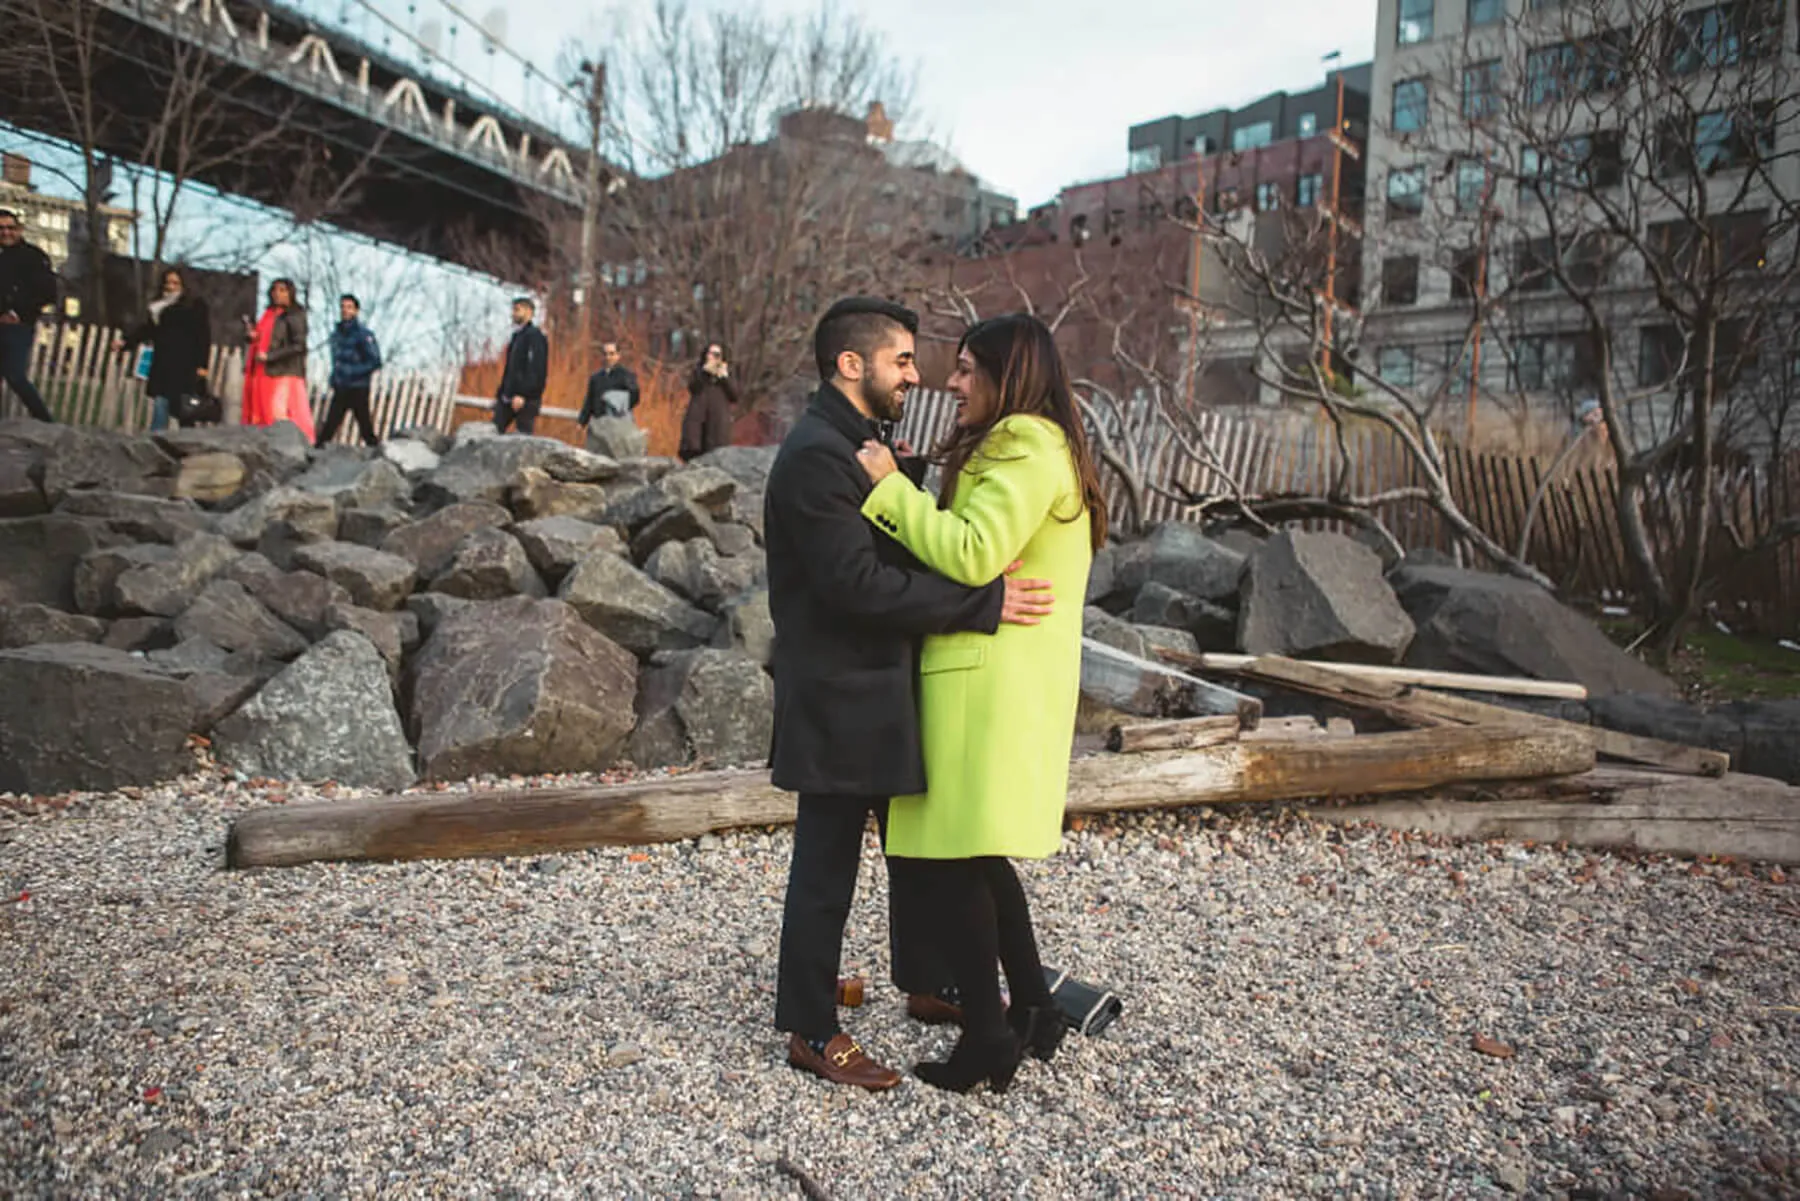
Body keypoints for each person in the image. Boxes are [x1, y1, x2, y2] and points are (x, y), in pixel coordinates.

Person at [765, 296, 1056, 1091]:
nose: (916, 373)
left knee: (923, 852)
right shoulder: (813, 456)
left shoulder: (865, 443)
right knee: (825, 868)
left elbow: (904, 533)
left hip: (887, 685)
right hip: (836, 694)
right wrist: (984, 602)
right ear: (850, 365)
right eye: (901, 359)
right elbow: (856, 583)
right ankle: (812, 1028)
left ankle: (930, 982)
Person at [853, 312, 1108, 1093]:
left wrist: (889, 490)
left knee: (956, 858)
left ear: (1009, 374)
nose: (951, 382)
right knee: (979, 853)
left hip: (985, 680)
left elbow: (973, 551)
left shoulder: (1025, 443)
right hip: (997, 677)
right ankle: (1033, 1006)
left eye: (966, 369)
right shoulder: (1037, 442)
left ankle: (989, 1040)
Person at [114, 267, 211, 432]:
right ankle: (157, 442)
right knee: (160, 406)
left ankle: (188, 444)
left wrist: (202, 366)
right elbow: (148, 330)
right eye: (168, 283)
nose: (170, 287)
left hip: (185, 365)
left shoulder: (194, 305)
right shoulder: (157, 308)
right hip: (163, 364)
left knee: (185, 410)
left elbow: (203, 336)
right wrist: (126, 343)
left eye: (175, 283)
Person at [0, 209, 59, 422]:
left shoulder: (33, 256)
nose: (6, 233)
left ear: (20, 230)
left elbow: (47, 292)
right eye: (1, 229)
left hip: (18, 324)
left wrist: (17, 312)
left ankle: (45, 421)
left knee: (14, 374)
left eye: (10, 228)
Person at [242, 278, 315, 442]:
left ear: (291, 293)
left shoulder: (294, 315)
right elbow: (265, 338)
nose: (277, 294)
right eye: (274, 290)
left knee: (278, 412)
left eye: (283, 290)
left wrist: (271, 356)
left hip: (284, 371)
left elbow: (299, 345)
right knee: (261, 410)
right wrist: (253, 337)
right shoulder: (269, 315)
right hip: (263, 371)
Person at [317, 294, 383, 447]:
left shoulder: (364, 334)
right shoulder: (337, 335)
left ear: (356, 311)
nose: (345, 310)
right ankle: (317, 451)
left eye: (349, 307)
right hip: (341, 386)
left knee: (364, 425)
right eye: (342, 307)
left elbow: (375, 361)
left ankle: (375, 451)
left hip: (358, 387)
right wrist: (334, 377)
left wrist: (352, 372)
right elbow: (337, 360)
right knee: (331, 423)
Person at [493, 297, 548, 435]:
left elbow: (537, 369)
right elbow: (510, 369)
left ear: (529, 312)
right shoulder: (517, 336)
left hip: (525, 399)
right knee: (493, 430)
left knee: (523, 436)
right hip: (508, 396)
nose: (513, 313)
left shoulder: (535, 336)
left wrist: (524, 394)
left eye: (517, 310)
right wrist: (502, 393)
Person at [678, 342, 738, 461]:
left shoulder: (727, 374)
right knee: (694, 451)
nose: (712, 357)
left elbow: (734, 396)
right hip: (698, 420)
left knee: (716, 453)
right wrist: (705, 373)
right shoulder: (698, 371)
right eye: (710, 353)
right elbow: (693, 387)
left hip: (717, 423)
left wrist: (724, 378)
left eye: (716, 354)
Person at [578, 340, 639, 426]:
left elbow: (634, 397)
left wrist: (618, 409)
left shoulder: (626, 376)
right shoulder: (596, 377)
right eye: (605, 354)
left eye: (611, 354)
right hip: (599, 425)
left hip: (618, 425)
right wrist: (582, 422)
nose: (608, 357)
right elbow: (589, 401)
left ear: (618, 355)